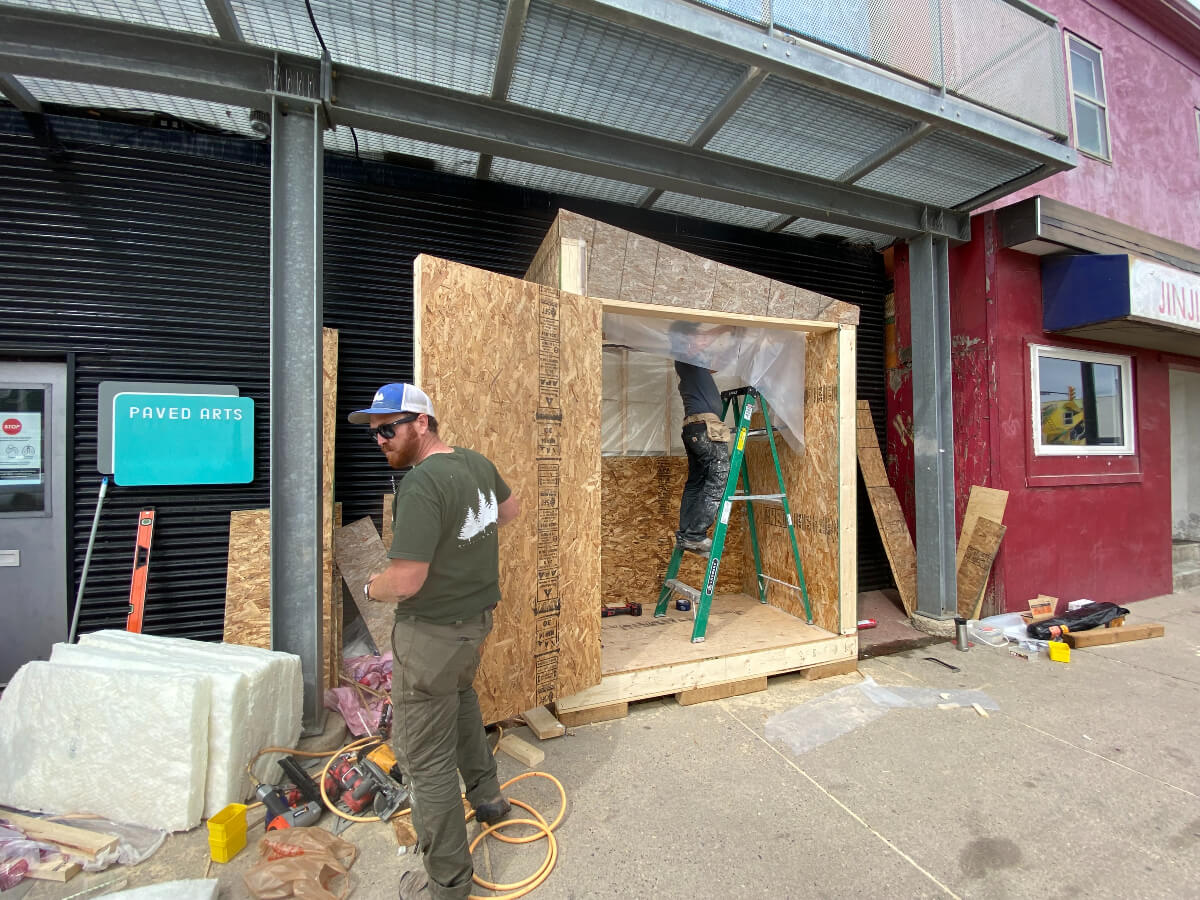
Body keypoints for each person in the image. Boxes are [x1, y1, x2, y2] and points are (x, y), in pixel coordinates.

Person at [350, 382, 521, 900]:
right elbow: (510, 513)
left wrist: (367, 584)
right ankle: (489, 800)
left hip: (430, 636)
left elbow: (405, 581)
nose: (380, 439)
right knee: (463, 699)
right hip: (474, 625)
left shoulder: (422, 485)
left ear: (421, 423)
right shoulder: (475, 464)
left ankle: (447, 883)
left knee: (425, 762)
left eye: (389, 428)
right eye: (375, 432)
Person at [669, 322, 733, 554]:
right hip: (704, 428)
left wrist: (735, 342)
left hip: (695, 430)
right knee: (718, 475)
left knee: (697, 482)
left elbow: (719, 364)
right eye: (694, 335)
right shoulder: (684, 356)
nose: (700, 340)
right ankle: (696, 535)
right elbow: (699, 344)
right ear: (685, 339)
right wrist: (726, 327)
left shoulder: (695, 366)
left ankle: (687, 534)